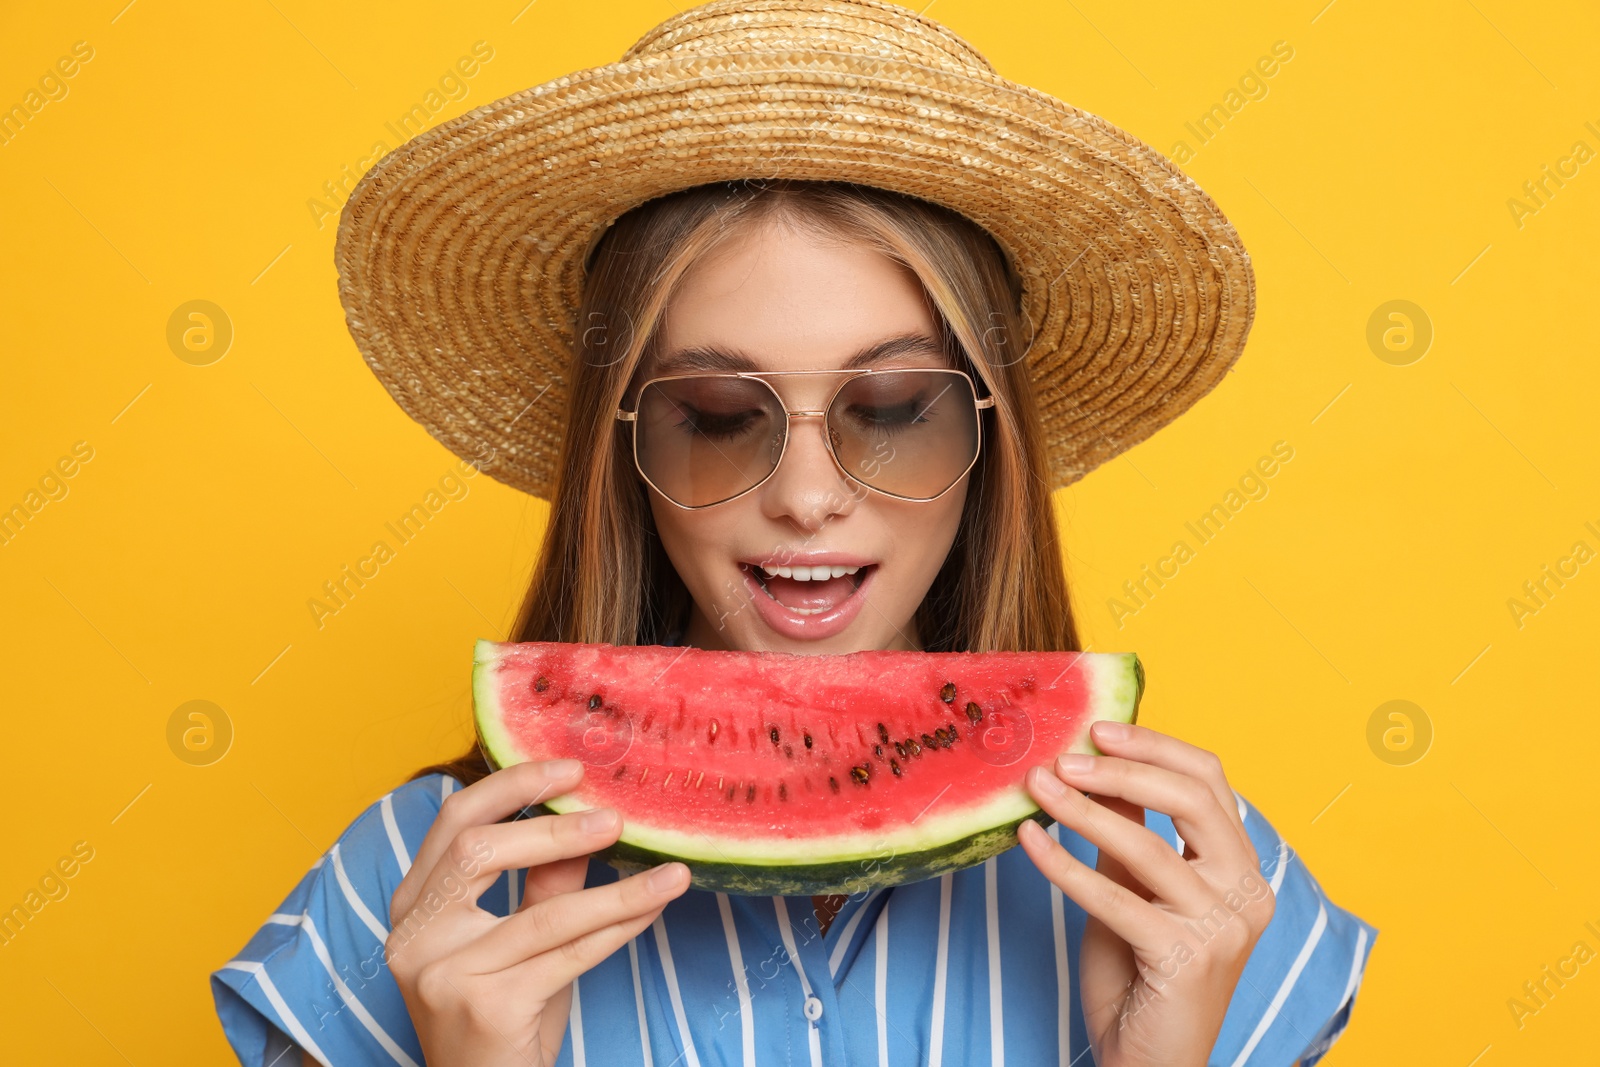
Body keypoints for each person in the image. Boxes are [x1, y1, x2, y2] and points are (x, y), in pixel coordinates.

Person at [211, 2, 1376, 1064]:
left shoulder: (1197, 892)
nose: (808, 495)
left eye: (894, 410)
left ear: (990, 442)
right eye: (716, 416)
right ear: (623, 450)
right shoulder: (410, 893)